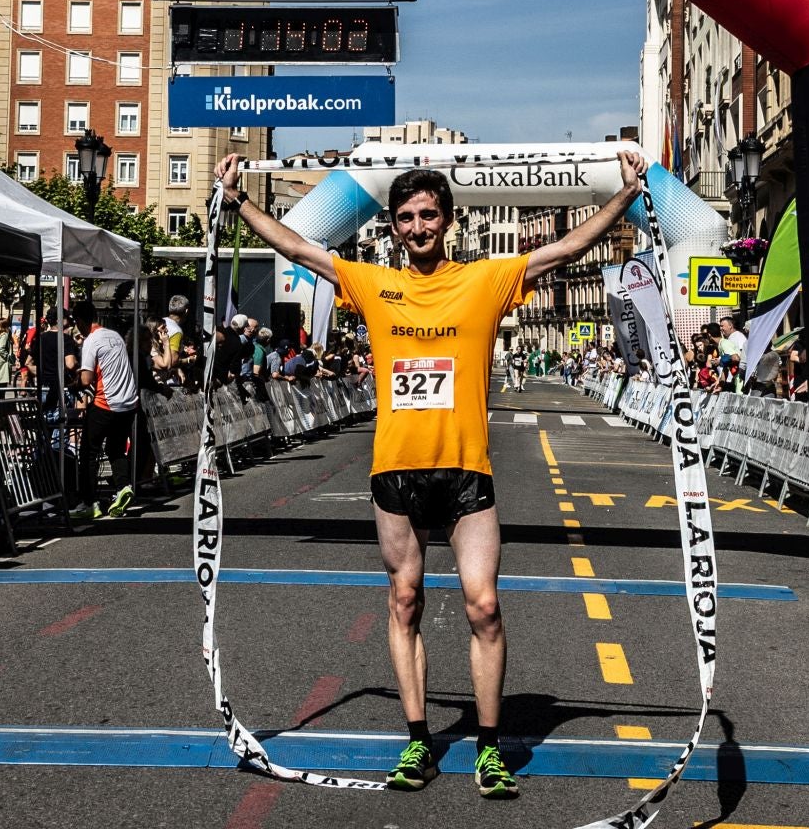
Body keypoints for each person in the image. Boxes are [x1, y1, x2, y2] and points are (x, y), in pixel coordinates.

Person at [214, 147, 649, 800]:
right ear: (393, 227)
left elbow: (562, 251)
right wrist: (239, 202)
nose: (417, 227)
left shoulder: (486, 279)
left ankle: (490, 749)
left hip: (467, 470)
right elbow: (302, 251)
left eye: (428, 216)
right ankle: (418, 741)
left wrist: (625, 195)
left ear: (446, 220)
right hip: (396, 471)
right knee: (405, 601)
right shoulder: (371, 283)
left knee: (485, 607)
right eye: (406, 218)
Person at [66, 300, 140, 520]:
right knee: (116, 448)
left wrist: (75, 383)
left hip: (107, 402)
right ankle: (123, 487)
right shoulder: (114, 335)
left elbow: (87, 378)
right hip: (129, 402)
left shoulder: (91, 340)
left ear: (79, 320)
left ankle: (89, 503)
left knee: (88, 451)